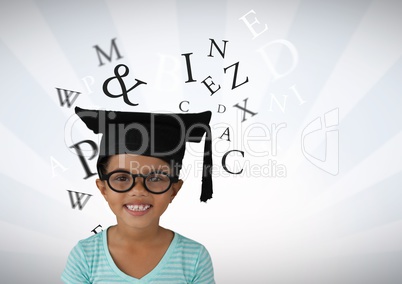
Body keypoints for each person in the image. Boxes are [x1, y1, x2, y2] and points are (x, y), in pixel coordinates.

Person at [61, 107, 215, 283]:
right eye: (121, 178)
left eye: (156, 178)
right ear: (103, 188)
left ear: (174, 190)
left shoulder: (194, 258)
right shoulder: (85, 257)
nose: (139, 190)